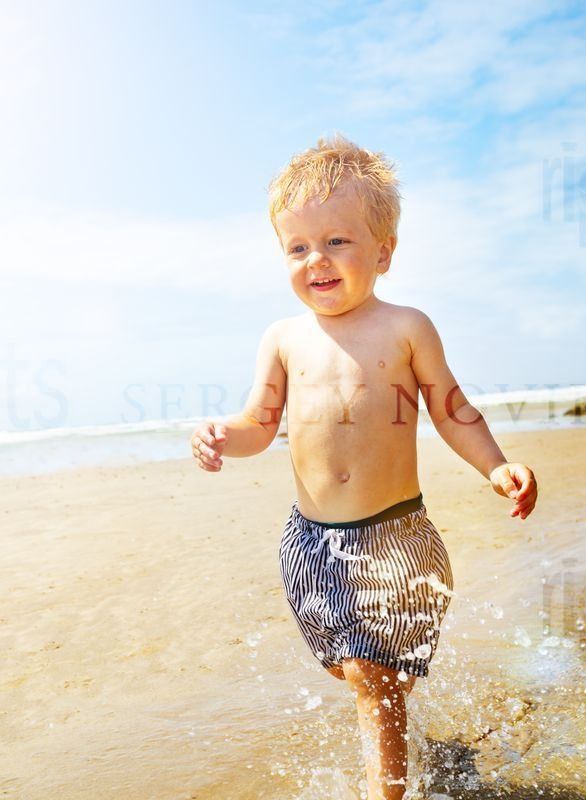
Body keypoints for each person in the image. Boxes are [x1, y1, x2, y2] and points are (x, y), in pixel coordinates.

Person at [188, 133, 538, 799]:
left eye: (336, 241)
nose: (315, 260)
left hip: (398, 540)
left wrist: (496, 466)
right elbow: (258, 425)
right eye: (297, 247)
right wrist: (218, 435)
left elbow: (451, 409)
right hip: (312, 542)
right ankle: (422, 758)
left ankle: (390, 791)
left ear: (384, 251)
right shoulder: (283, 339)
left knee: (378, 677)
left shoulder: (407, 327)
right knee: (363, 676)